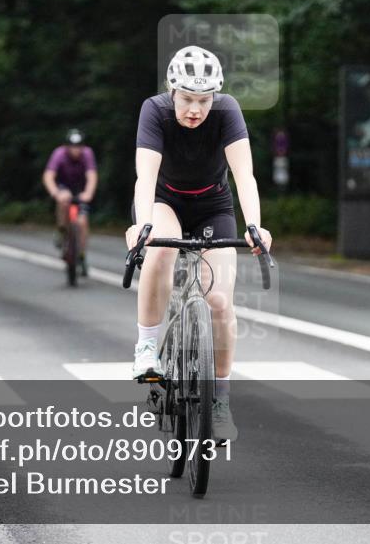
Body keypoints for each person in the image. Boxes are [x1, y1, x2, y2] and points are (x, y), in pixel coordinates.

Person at [124, 45, 273, 443]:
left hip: (213, 206)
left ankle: (220, 402)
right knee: (161, 247)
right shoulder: (154, 111)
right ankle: (147, 348)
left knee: (220, 302)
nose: (195, 109)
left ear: (215, 97)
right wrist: (142, 225)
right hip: (163, 200)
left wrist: (256, 225)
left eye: (204, 100)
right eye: (188, 99)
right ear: (172, 91)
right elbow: (144, 176)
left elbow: (245, 176)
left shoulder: (227, 111)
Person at [42, 128, 98, 275]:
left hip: (80, 190)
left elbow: (92, 176)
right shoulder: (59, 154)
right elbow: (48, 176)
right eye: (73, 146)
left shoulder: (87, 154)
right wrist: (55, 193)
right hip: (63, 187)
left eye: (79, 146)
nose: (76, 150)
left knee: (82, 222)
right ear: (67, 146)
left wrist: (89, 193)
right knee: (63, 200)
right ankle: (62, 230)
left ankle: (82, 254)